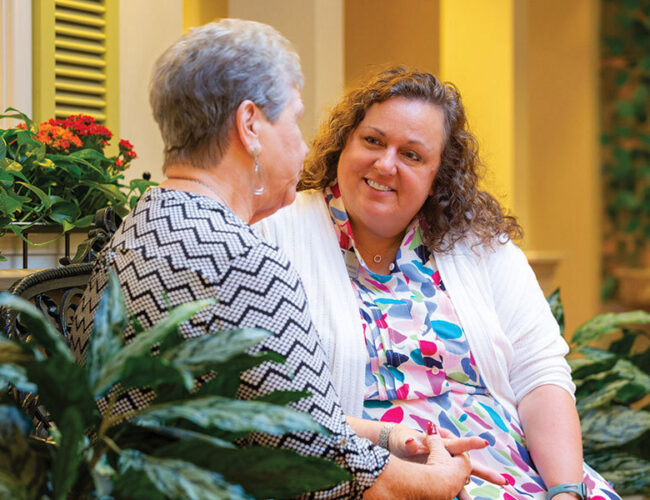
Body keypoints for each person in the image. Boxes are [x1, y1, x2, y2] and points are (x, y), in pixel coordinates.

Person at [69, 21, 502, 499]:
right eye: (293, 121)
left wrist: (385, 433)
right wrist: (437, 481)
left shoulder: (141, 223)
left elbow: (279, 420)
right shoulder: (241, 260)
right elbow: (323, 470)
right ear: (250, 125)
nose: (302, 145)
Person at [257, 66, 621, 500]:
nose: (385, 163)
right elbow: (270, 400)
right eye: (372, 141)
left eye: (412, 155)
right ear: (344, 144)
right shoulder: (274, 233)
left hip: (512, 472)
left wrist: (565, 491)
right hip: (376, 474)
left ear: (437, 178)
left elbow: (539, 374)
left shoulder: (481, 245)